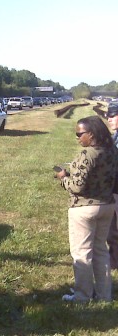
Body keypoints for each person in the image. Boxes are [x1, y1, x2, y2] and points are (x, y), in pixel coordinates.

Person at [55, 115, 118, 302]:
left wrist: (63, 178)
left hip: (84, 209)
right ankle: (104, 295)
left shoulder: (87, 154)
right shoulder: (112, 151)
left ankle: (82, 296)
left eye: (79, 133)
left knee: (81, 253)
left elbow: (77, 187)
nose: (77, 137)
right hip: (107, 206)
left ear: (91, 134)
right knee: (100, 251)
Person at [104, 104, 118, 268]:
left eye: (113, 115)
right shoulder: (115, 136)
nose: (108, 119)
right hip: (113, 188)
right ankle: (114, 259)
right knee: (112, 229)